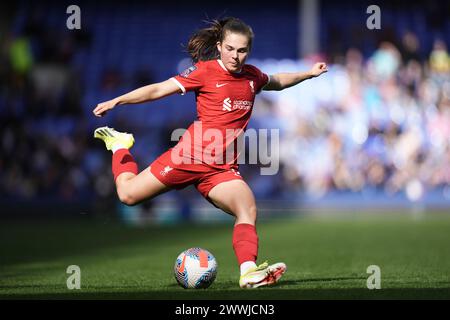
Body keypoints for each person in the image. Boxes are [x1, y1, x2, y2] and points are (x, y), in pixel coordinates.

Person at [93, 17, 328, 288]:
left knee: (247, 208)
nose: (235, 56)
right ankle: (120, 145)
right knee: (127, 195)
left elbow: (277, 81)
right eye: (230, 49)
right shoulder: (204, 71)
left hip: (221, 170)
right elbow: (159, 89)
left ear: (248, 51)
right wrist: (118, 100)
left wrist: (308, 74)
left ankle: (249, 272)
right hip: (188, 157)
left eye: (241, 51)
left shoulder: (253, 77)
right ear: (219, 46)